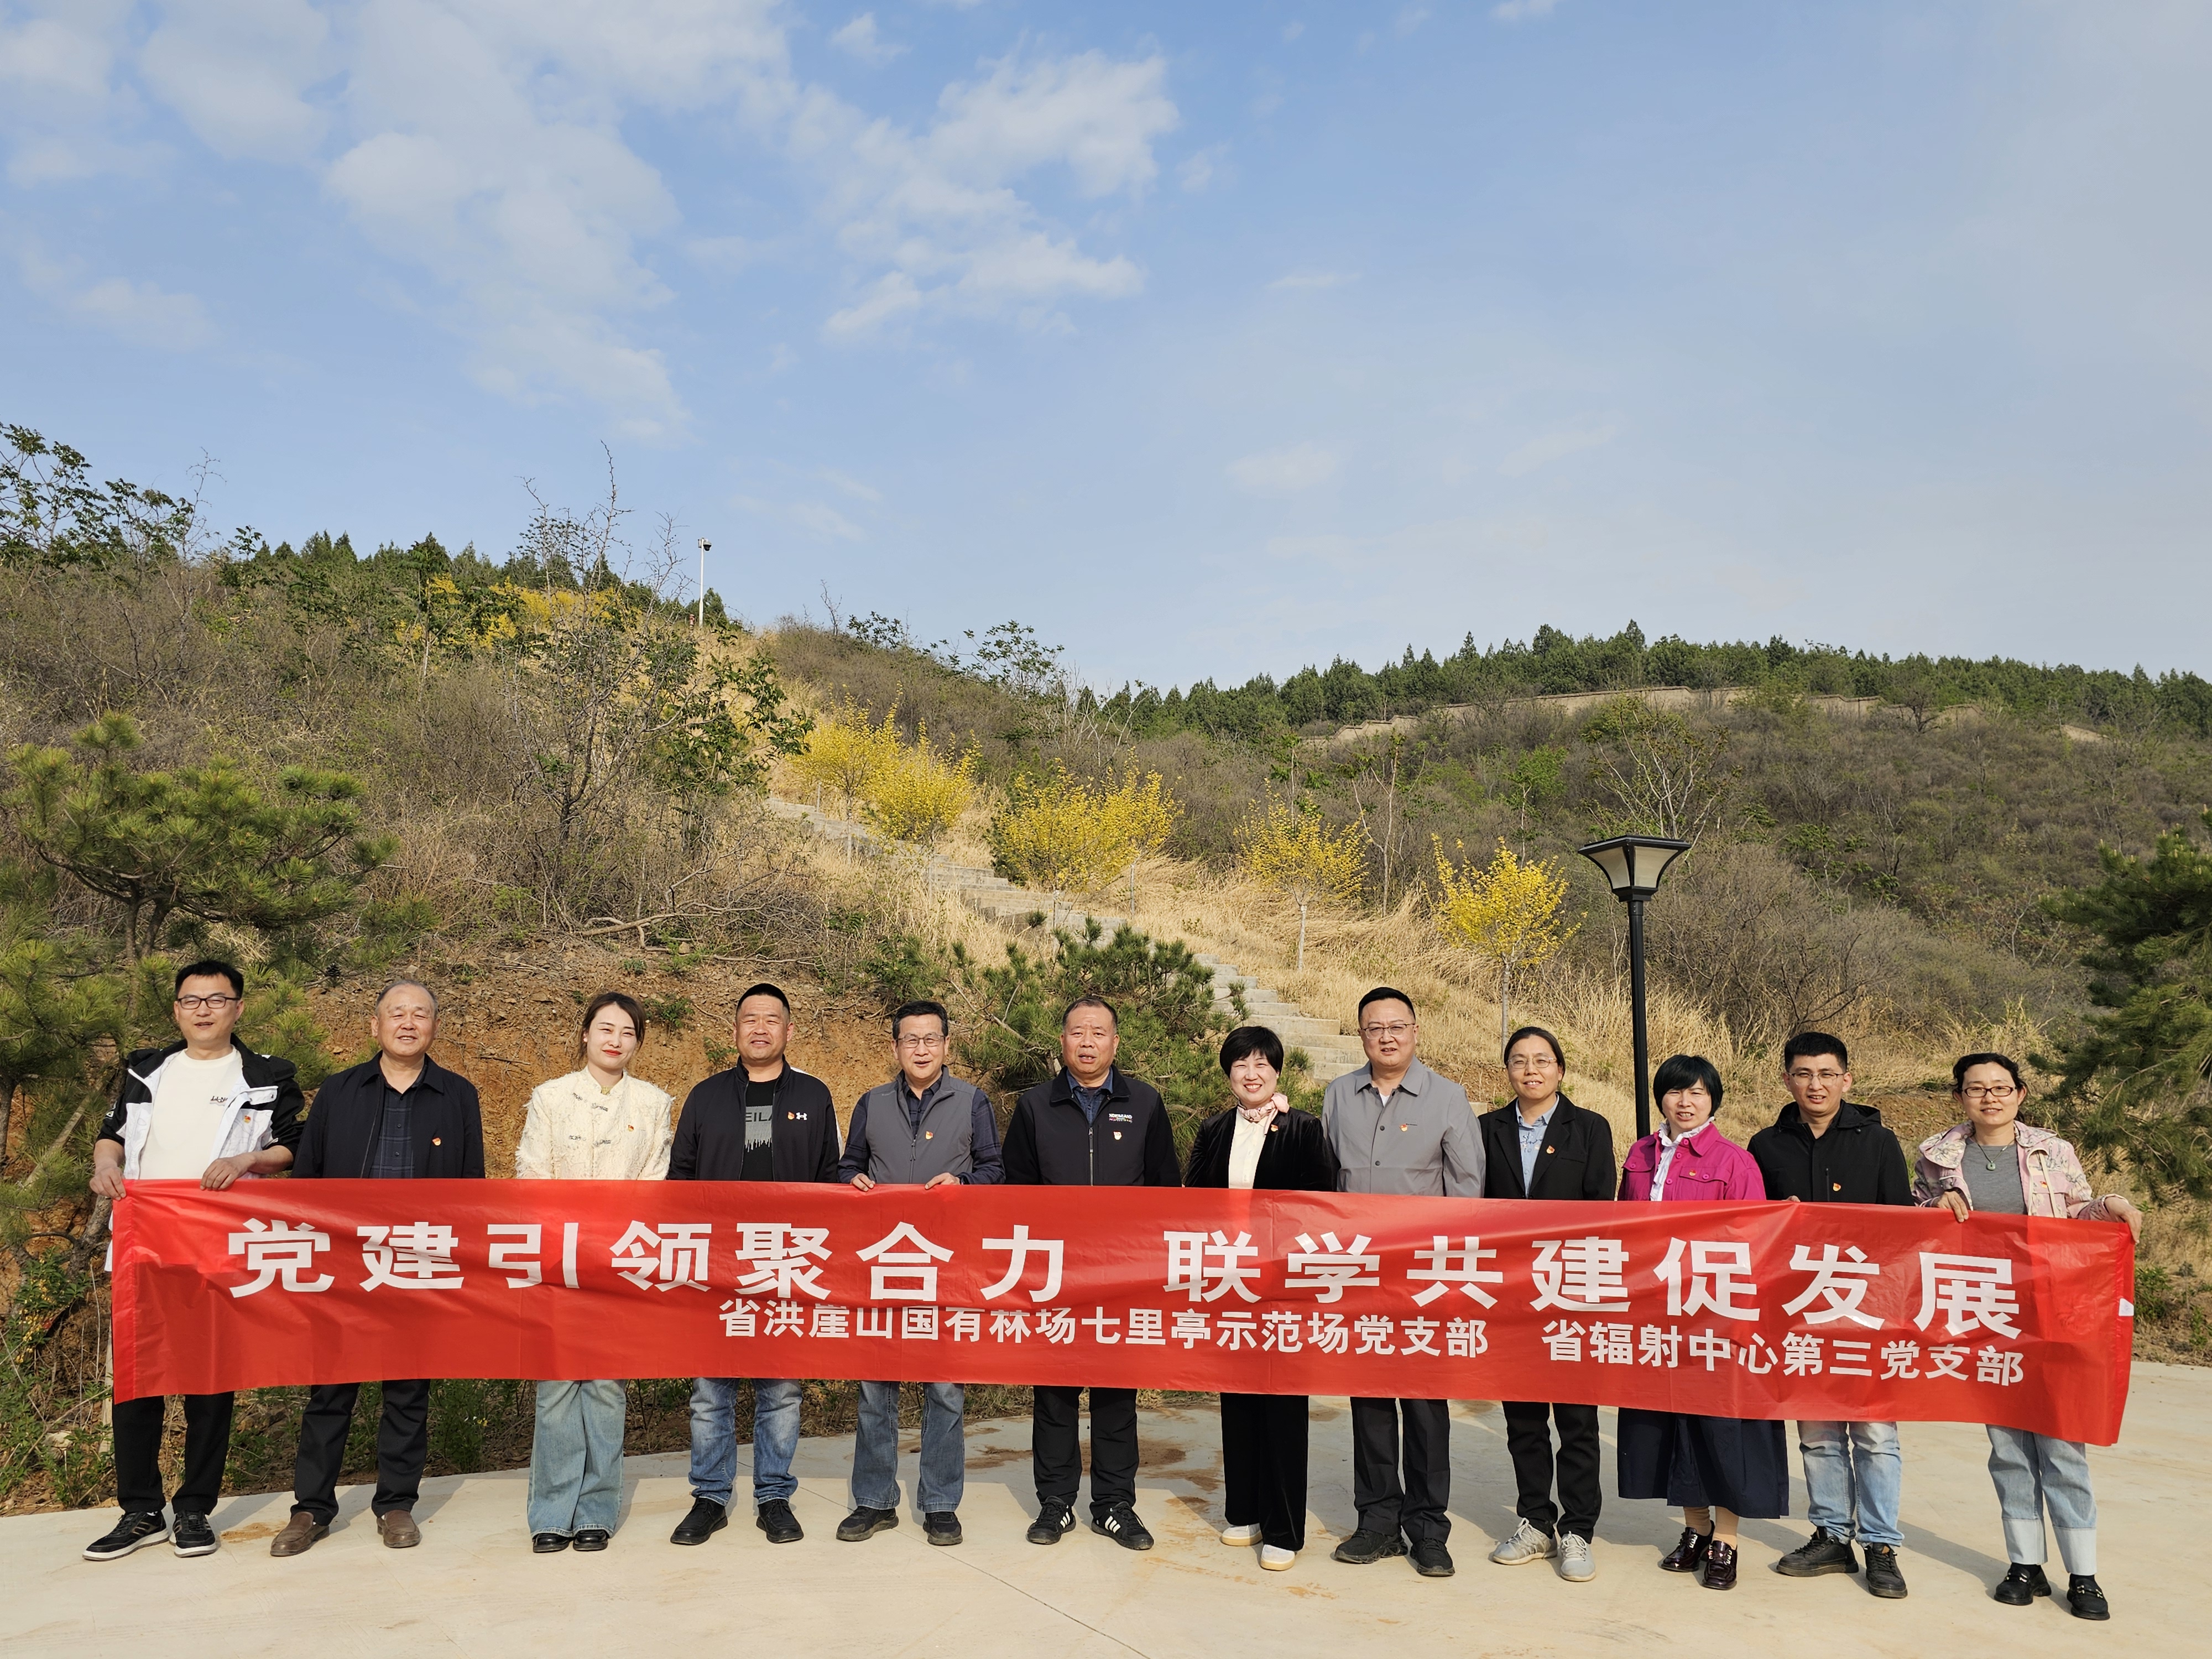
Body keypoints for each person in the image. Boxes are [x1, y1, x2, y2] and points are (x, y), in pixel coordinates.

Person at [81, 960, 305, 1564]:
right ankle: (140, 1510)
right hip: (144, 1241)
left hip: (219, 1246)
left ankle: (195, 1508)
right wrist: (105, 1165)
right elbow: (113, 1134)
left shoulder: (267, 1075)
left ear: (239, 1008)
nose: (203, 1010)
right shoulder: (147, 1069)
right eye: (191, 1000)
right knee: (136, 1380)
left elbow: (293, 1145)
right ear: (176, 1010)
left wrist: (246, 1161)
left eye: (217, 999)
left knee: (210, 1381)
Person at [1914, 1052, 2143, 1623]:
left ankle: (2083, 1574)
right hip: (1986, 1314)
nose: (1989, 1097)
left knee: (2062, 1441)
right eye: (1976, 1089)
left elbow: (2078, 1211)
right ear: (1959, 1097)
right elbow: (1915, 1221)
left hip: (2052, 1309)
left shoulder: (2052, 1150)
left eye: (2000, 1087)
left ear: (2020, 1094)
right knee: (2008, 1445)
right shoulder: (1937, 1155)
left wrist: (2110, 1205)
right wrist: (1933, 1205)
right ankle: (2025, 1564)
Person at [272, 980, 484, 1558]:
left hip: (418, 1262)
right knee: (329, 1392)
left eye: (420, 1014)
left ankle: (396, 1503)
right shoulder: (340, 1091)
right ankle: (311, 1508)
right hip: (345, 1267)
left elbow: (473, 1189)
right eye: (397, 1014)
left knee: (408, 1391)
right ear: (376, 1026)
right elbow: (307, 1180)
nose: (408, 1023)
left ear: (434, 1027)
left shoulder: (457, 1095)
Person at [1003, 994, 1181, 1551]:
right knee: (1054, 1394)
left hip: (1122, 1278)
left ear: (1115, 1043)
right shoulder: (1035, 1106)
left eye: (1098, 1033)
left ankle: (1114, 1505)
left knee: (1115, 1395)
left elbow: (1167, 1193)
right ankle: (1055, 1503)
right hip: (1054, 1277)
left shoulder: (1144, 1103)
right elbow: (1014, 1194)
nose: (1087, 1042)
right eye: (1077, 1032)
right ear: (1062, 1041)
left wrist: (1149, 1269)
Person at [666, 982, 841, 1548]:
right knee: (710, 1390)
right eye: (749, 1019)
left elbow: (831, 1183)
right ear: (736, 1029)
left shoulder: (814, 1095)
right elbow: (679, 1181)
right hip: (717, 1265)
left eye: (771, 1019)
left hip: (785, 1262)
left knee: (781, 1390)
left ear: (788, 1031)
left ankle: (773, 1496)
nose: (760, 1028)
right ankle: (710, 1497)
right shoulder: (706, 1096)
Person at [1321, 986, 1484, 1578]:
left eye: (1396, 1026)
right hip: (1359, 1276)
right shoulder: (1339, 1095)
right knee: (1368, 1403)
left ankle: (1429, 1529)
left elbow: (1467, 1191)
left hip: (1423, 1280)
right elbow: (1326, 1185)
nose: (1386, 1037)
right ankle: (1377, 1522)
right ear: (1361, 1035)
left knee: (1424, 1408)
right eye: (1374, 1028)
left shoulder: (1448, 1097)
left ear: (1415, 1031)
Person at [1749, 1030, 1915, 1599]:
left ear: (1847, 1079)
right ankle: (1832, 1536)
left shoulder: (1879, 1142)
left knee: (1875, 1434)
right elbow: (1751, 1231)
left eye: (1826, 1074)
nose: (1814, 1085)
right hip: (1799, 1312)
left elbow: (1902, 1229)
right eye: (1803, 1074)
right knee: (1817, 1433)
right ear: (1786, 1080)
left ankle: (1882, 1546)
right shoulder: (1766, 1145)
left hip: (1867, 1311)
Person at [834, 998, 1003, 1548]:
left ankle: (940, 1504)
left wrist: (964, 1184)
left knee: (945, 1388)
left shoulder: (972, 1101)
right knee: (874, 1388)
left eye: (931, 1039)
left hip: (948, 1264)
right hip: (883, 1262)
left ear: (947, 1045)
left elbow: (994, 1171)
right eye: (911, 1039)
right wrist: (853, 1180)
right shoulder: (872, 1102)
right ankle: (874, 1500)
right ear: (895, 1047)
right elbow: (847, 1165)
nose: (922, 1049)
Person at [1615, 1054, 1785, 1592]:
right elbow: (1622, 1229)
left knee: (1721, 1428)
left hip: (1714, 1314)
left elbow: (1753, 1243)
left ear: (1713, 1101)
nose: (1684, 1102)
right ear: (1660, 1098)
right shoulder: (1640, 1155)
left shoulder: (1735, 1162)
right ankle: (1695, 1528)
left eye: (1697, 1093)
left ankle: (1725, 1541)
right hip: (1656, 1313)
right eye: (1674, 1092)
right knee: (1673, 1424)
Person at [514, 991, 674, 1555]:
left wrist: (614, 1244)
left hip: (619, 1266)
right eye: (605, 1028)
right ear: (585, 1034)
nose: (615, 1040)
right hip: (558, 1262)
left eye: (627, 1032)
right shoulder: (551, 1097)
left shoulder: (653, 1103)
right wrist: (567, 1240)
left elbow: (655, 1183)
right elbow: (532, 1174)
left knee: (606, 1388)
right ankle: (551, 1512)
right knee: (558, 1387)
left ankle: (596, 1511)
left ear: (637, 1043)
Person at [1185, 1026, 1340, 1573]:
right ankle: (1245, 1512)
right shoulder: (1213, 1130)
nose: (1251, 1075)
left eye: (1261, 1065)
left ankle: (1283, 1529)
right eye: (1240, 1066)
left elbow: (1320, 1206)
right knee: (1237, 1400)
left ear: (1277, 1071)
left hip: (1284, 1288)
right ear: (1228, 1074)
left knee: (1283, 1407)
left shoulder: (1303, 1128)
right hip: (1230, 1286)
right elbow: (1193, 1203)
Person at [1478, 1025, 1614, 1585]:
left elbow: (1601, 1208)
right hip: (1511, 1295)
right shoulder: (1486, 1129)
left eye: (1541, 1060)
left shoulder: (1590, 1127)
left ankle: (1578, 1529)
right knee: (1524, 1420)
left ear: (1560, 1069)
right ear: (1507, 1071)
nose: (1530, 1070)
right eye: (1519, 1061)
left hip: (1572, 1290)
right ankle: (1536, 1522)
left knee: (1578, 1420)